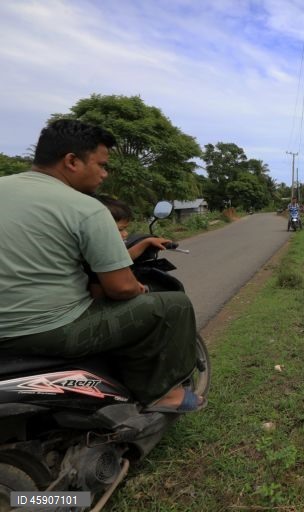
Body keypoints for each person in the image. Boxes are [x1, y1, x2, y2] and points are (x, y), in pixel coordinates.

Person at [0, 119, 203, 412]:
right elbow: (120, 287)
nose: (105, 174)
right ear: (71, 161)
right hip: (50, 330)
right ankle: (162, 394)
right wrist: (139, 287)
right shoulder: (86, 208)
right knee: (174, 305)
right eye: (101, 165)